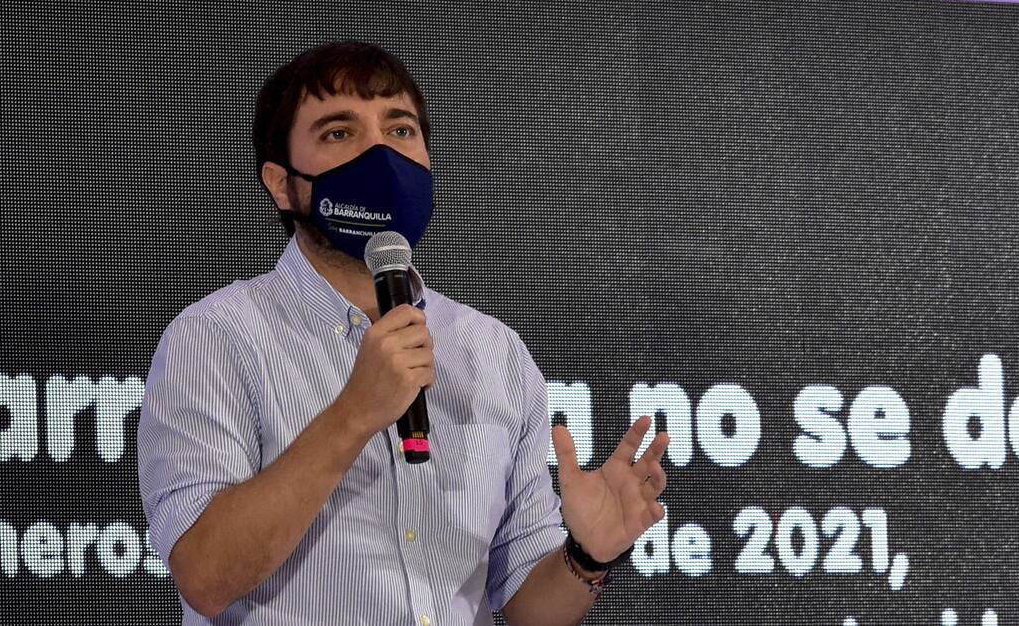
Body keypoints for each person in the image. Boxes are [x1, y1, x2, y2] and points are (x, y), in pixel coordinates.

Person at [137, 41, 670, 625]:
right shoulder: (213, 338)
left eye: (400, 130)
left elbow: (527, 611)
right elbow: (206, 577)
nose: (380, 154)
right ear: (282, 183)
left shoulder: (492, 351)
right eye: (339, 133)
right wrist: (355, 413)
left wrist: (586, 557)